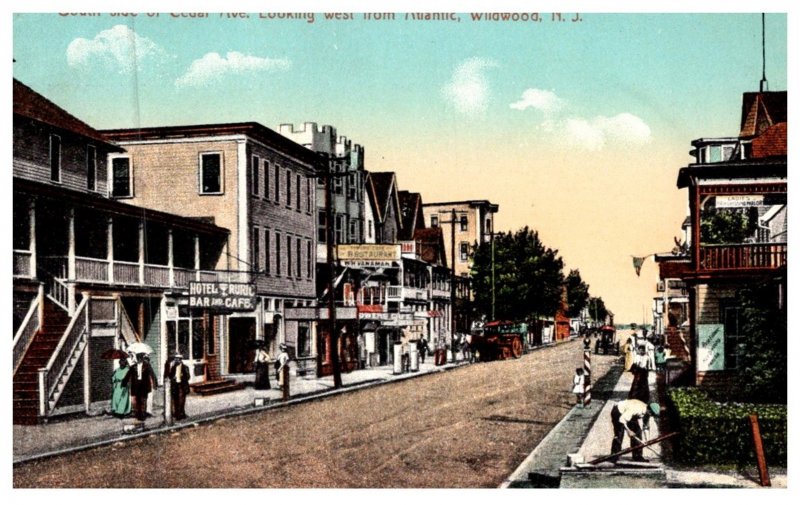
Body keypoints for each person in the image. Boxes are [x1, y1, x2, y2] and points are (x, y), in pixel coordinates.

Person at [128, 353, 157, 422]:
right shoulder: (133, 367)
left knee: (143, 400)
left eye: (140, 358)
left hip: (144, 385)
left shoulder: (147, 366)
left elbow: (152, 375)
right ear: (137, 358)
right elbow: (128, 375)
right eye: (138, 358)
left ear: (142, 358)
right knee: (137, 400)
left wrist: (155, 384)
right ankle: (139, 414)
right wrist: (124, 383)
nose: (139, 359)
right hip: (136, 385)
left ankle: (143, 415)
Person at [164, 353, 191, 421]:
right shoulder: (173, 367)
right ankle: (177, 414)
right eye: (176, 359)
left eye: (179, 359)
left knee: (182, 401)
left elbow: (188, 377)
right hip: (175, 385)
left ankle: (182, 414)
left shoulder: (185, 367)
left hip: (182, 385)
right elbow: (169, 376)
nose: (178, 361)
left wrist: (182, 376)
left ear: (181, 360)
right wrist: (173, 377)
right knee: (176, 400)